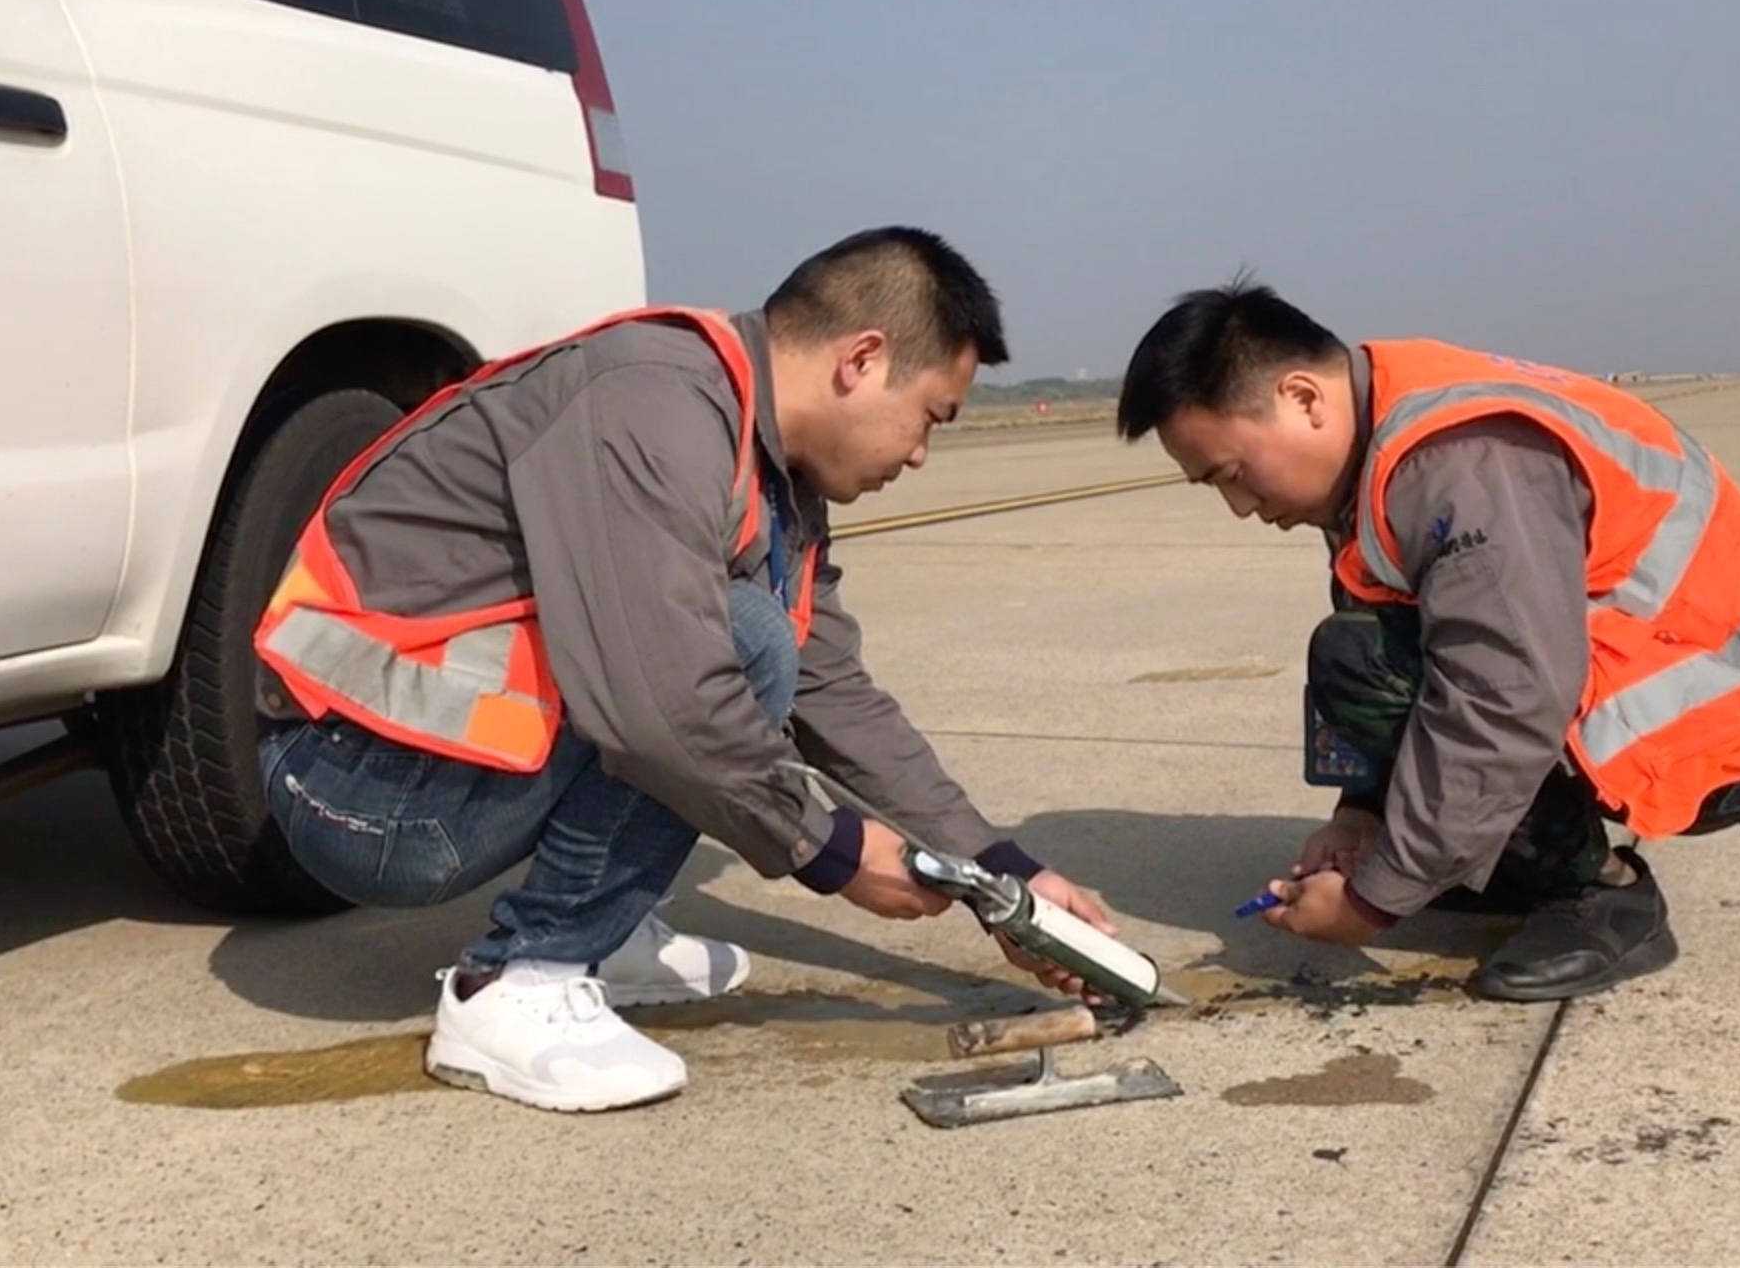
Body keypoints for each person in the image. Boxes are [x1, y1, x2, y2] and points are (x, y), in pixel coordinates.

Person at [252, 227, 1116, 1113]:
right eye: (932, 415)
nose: (922, 453)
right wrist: (831, 848)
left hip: (421, 768)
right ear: (862, 359)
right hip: (356, 788)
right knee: (736, 643)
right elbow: (662, 705)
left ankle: (601, 926)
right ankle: (520, 982)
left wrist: (1002, 872)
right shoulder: (652, 406)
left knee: (749, 643)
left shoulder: (767, 468)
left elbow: (835, 693)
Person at [1114, 279, 1740, 1001]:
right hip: (1635, 669)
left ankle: (1604, 892)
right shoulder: (1376, 431)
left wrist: (1371, 903)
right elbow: (1395, 618)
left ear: (1304, 398)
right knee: (1363, 649)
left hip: (1716, 708)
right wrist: (1360, 815)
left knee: (1373, 662)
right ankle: (1485, 858)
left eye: (1234, 474)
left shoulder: (1460, 462)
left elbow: (1506, 695)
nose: (1240, 506)